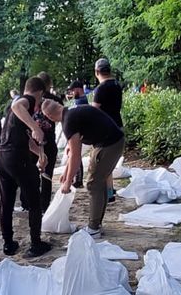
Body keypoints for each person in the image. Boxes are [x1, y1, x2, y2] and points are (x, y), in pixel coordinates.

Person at [45, 99, 125, 237]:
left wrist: (68, 183)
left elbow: (76, 156)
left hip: (109, 144)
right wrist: (66, 171)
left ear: (50, 117)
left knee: (94, 184)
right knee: (98, 182)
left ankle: (94, 228)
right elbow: (72, 150)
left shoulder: (68, 121)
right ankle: (96, 224)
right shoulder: (72, 112)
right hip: (111, 141)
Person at [0, 76, 54, 258]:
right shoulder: (26, 101)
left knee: (6, 202)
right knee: (34, 199)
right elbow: (17, 106)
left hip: (2, 158)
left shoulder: (16, 113)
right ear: (39, 93)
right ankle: (36, 244)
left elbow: (25, 139)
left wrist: (40, 153)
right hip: (16, 159)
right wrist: (35, 127)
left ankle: (8, 243)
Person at [90, 58, 124, 201]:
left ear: (97, 72)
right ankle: (110, 191)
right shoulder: (117, 85)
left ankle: (107, 193)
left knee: (102, 164)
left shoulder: (101, 89)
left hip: (105, 129)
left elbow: (93, 111)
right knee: (109, 164)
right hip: (118, 124)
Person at [35, 72, 63, 205]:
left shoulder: (31, 99)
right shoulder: (56, 99)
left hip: (34, 140)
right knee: (47, 174)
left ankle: (29, 203)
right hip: (48, 139)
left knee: (32, 172)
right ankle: (44, 204)